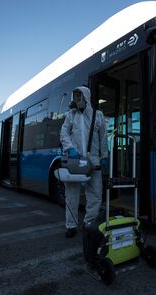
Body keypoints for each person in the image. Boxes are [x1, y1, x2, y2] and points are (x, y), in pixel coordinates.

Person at [60, 86, 109, 238]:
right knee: (72, 194)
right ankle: (71, 225)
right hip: (74, 161)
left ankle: (89, 224)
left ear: (85, 97)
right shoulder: (71, 115)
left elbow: (103, 138)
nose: (75, 100)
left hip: (93, 161)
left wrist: (104, 156)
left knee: (95, 195)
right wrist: (69, 148)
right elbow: (64, 133)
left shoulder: (98, 115)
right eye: (74, 96)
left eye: (78, 96)